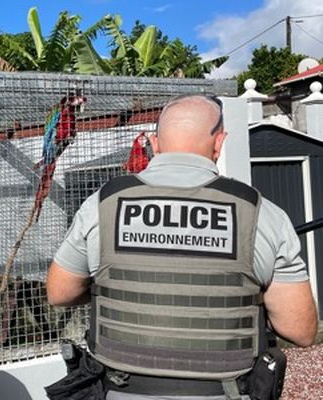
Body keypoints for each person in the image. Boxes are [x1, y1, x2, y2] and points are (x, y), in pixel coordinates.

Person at [45, 94, 318, 400]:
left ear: (154, 143)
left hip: (120, 390)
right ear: (220, 142)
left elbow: (60, 292)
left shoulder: (102, 204)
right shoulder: (263, 214)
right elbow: (301, 329)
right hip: (225, 392)